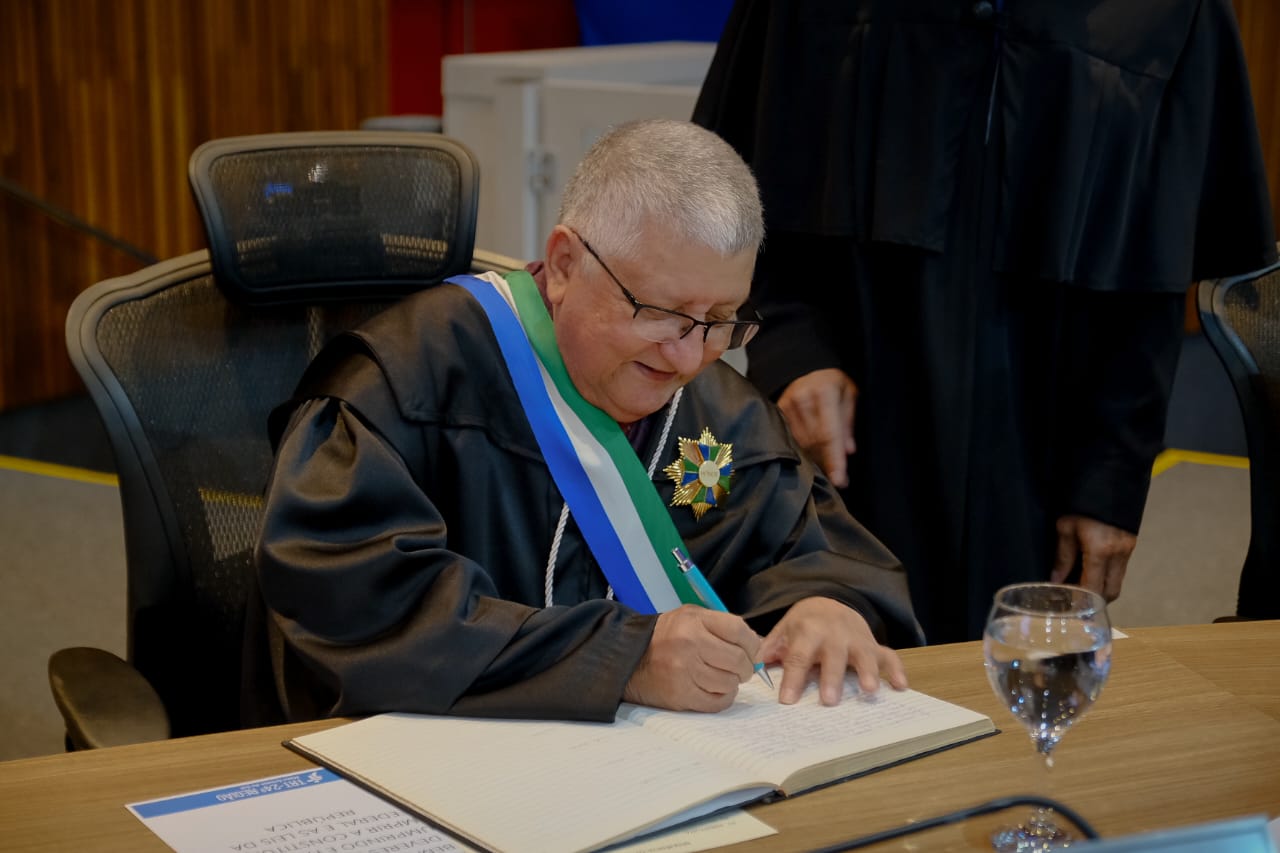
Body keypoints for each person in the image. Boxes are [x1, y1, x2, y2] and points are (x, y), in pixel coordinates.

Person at [253, 119, 924, 724]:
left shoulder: (720, 412)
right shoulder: (397, 391)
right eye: (660, 312)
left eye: (722, 320)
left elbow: (820, 550)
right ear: (565, 265)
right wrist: (623, 659)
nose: (689, 356)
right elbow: (360, 609)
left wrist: (828, 606)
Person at [693, 0, 1278, 642]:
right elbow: (735, 183)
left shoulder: (1170, 12)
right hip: (848, 421)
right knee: (836, 664)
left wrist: (1112, 476)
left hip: (1046, 439)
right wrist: (791, 346)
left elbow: (1156, 263)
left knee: (1016, 674)